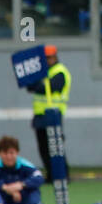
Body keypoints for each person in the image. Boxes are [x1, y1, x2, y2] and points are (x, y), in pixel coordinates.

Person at [27, 44, 69, 181]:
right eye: (45, 58)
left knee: (56, 147)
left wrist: (38, 84)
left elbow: (48, 87)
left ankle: (63, 175)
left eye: (49, 57)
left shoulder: (60, 71)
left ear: (55, 57)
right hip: (40, 115)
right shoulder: (42, 72)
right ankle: (51, 175)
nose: (47, 60)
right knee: (43, 148)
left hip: (53, 115)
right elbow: (31, 86)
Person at [0, 136, 44, 204]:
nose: (9, 157)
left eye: (11, 153)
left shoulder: (25, 165)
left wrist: (20, 185)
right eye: (5, 153)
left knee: (33, 191)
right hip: (2, 196)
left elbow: (39, 177)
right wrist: (6, 188)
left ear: (17, 153)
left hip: (21, 196)